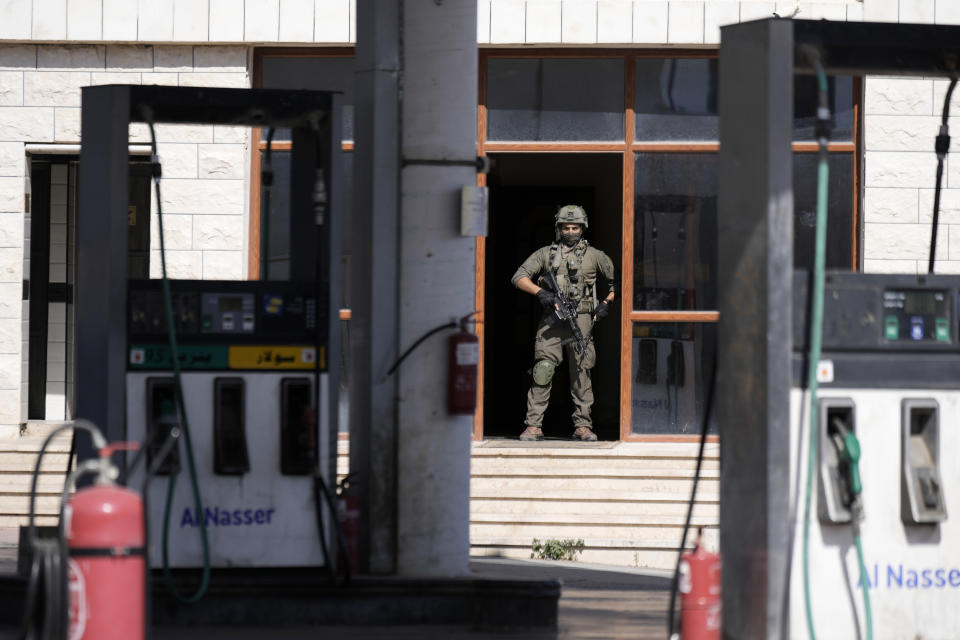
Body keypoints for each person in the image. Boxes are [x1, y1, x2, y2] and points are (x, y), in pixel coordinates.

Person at [511, 205, 616, 441]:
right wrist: (541, 293)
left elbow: (618, 282)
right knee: (543, 370)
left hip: (582, 319)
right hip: (553, 319)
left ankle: (583, 425)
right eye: (566, 227)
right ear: (559, 228)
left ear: (582, 228)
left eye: (575, 227)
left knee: (581, 371)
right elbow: (519, 277)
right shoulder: (545, 254)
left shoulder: (595, 255)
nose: (570, 231)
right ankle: (533, 425)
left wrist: (606, 303)